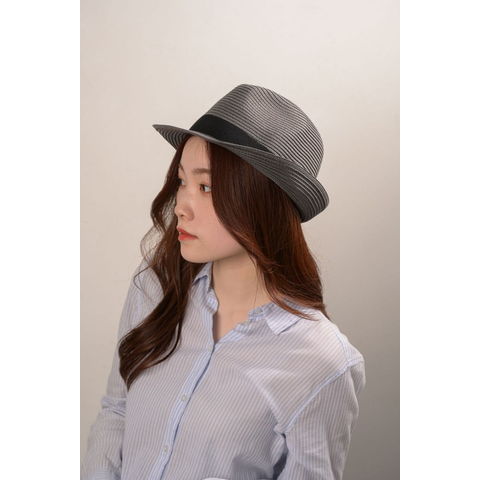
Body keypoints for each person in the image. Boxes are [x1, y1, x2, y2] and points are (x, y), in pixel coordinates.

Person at [81, 84, 366, 480]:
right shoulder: (156, 287)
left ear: (261, 202)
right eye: (181, 181)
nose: (181, 206)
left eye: (206, 187)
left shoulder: (322, 361)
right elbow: (117, 411)